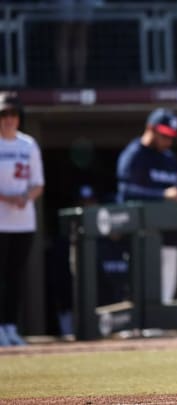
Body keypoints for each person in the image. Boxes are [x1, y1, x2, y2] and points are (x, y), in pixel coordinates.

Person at [116, 108, 177, 304]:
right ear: (150, 128)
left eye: (172, 137)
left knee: (166, 291)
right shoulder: (135, 154)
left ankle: (162, 326)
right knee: (142, 287)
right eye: (164, 135)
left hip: (169, 231)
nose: (168, 141)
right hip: (142, 233)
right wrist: (161, 195)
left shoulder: (169, 158)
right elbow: (126, 192)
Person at [0, 92, 44, 346]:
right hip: (1, 221)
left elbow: (38, 183)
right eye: (4, 114)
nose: (8, 119)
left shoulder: (28, 145)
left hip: (23, 222)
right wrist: (7, 198)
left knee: (15, 277)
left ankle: (10, 327)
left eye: (13, 114)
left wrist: (25, 196)